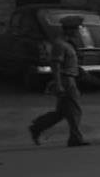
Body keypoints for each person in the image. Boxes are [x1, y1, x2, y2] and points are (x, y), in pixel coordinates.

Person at [29, 15, 89, 147]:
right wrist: (58, 84)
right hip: (66, 81)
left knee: (61, 113)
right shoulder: (59, 45)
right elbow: (56, 66)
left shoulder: (67, 44)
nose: (77, 32)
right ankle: (75, 138)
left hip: (69, 79)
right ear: (69, 30)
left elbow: (67, 63)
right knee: (75, 111)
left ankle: (37, 127)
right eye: (76, 30)